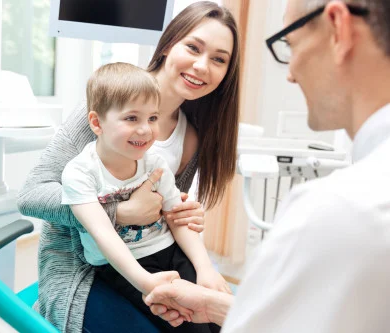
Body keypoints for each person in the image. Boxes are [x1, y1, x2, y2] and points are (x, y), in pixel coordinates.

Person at [144, 0, 390, 332]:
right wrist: (215, 305)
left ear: (339, 28)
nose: (289, 74)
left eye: (289, 43)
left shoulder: (337, 210)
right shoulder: (110, 101)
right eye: (194, 48)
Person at [17, 2, 240, 332]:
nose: (202, 66)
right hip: (84, 268)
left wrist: (184, 218)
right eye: (193, 47)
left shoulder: (191, 136)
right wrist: (121, 212)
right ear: (167, 44)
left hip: (155, 256)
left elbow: (162, 213)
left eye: (219, 59)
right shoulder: (111, 105)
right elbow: (31, 195)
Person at [62, 62, 230, 333]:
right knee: (191, 327)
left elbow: (176, 217)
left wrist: (205, 268)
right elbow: (103, 235)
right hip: (122, 265)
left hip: (169, 251)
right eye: (132, 118)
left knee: (224, 321)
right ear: (96, 122)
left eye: (152, 118)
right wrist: (146, 282)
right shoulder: (80, 172)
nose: (145, 130)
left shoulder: (154, 161)